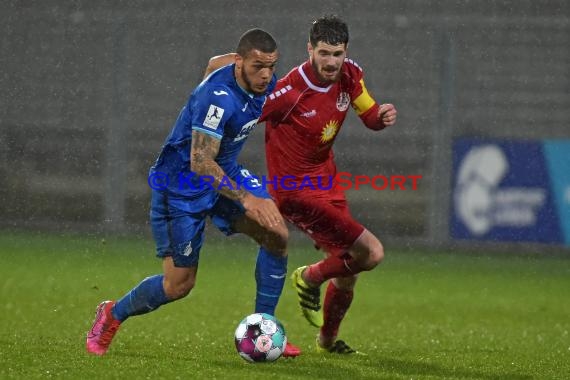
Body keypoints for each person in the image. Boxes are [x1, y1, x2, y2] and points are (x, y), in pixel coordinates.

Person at [86, 28, 301, 357]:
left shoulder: (250, 74)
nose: (267, 75)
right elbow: (200, 160)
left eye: (272, 66)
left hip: (223, 170)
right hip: (180, 186)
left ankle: (264, 328)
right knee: (179, 285)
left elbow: (217, 61)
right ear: (241, 62)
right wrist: (247, 198)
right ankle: (112, 314)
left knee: (276, 234)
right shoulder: (217, 98)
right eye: (258, 66)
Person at [206, 15, 397, 354]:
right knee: (371, 253)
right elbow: (241, 111)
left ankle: (327, 340)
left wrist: (380, 117)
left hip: (328, 182)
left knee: (350, 270)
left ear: (345, 51)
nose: (331, 62)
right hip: (294, 191)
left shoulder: (350, 74)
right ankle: (309, 277)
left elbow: (367, 114)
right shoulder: (288, 91)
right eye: (324, 53)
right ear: (309, 49)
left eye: (337, 54)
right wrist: (210, 141)